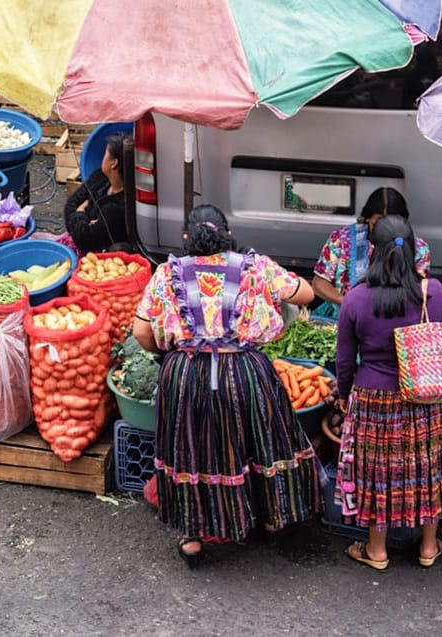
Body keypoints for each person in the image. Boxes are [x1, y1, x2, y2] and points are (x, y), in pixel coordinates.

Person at [131, 205, 320, 568]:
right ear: (226, 233)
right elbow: (306, 294)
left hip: (185, 374)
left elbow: (141, 331)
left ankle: (192, 537)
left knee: (189, 447)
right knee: (257, 442)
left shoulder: (167, 273)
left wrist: (169, 353)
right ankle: (269, 517)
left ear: (187, 238)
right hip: (244, 371)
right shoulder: (255, 267)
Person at [333, 215, 442, 570]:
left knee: (378, 472)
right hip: (429, 396)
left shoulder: (356, 298)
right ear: (413, 250)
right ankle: (428, 546)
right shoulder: (435, 292)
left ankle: (377, 551)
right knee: (430, 466)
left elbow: (345, 362)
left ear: (373, 251)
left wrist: (345, 395)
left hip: (373, 398)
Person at [311, 187, 430, 318]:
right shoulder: (341, 239)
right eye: (377, 223)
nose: (383, 230)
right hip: (344, 316)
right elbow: (319, 283)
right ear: (367, 218)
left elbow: (420, 292)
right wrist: (347, 302)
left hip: (395, 317)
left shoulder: (419, 249)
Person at [60, 132, 132, 254]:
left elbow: (84, 239)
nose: (102, 158)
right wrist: (86, 223)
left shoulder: (119, 206)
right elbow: (70, 205)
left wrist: (80, 212)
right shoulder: (99, 177)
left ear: (113, 163)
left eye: (105, 154)